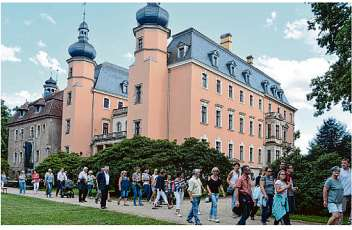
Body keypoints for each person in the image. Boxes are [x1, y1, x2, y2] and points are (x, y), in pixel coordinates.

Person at [339, 158, 351, 224]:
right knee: (342, 209)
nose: (342, 164)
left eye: (344, 163)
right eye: (342, 163)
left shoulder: (351, 171)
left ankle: (350, 221)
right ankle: (340, 223)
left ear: (348, 164)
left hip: (351, 193)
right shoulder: (339, 171)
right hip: (343, 193)